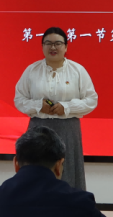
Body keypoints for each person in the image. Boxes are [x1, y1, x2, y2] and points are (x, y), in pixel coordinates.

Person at [13, 26, 97, 190]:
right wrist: (39, 106)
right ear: (42, 46)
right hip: (38, 129)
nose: (53, 47)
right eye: (48, 43)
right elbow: (19, 99)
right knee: (35, 173)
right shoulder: (32, 70)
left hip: (68, 129)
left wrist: (66, 107)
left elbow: (91, 100)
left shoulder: (78, 70)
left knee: (67, 174)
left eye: (58, 43)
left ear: (66, 47)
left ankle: (69, 205)